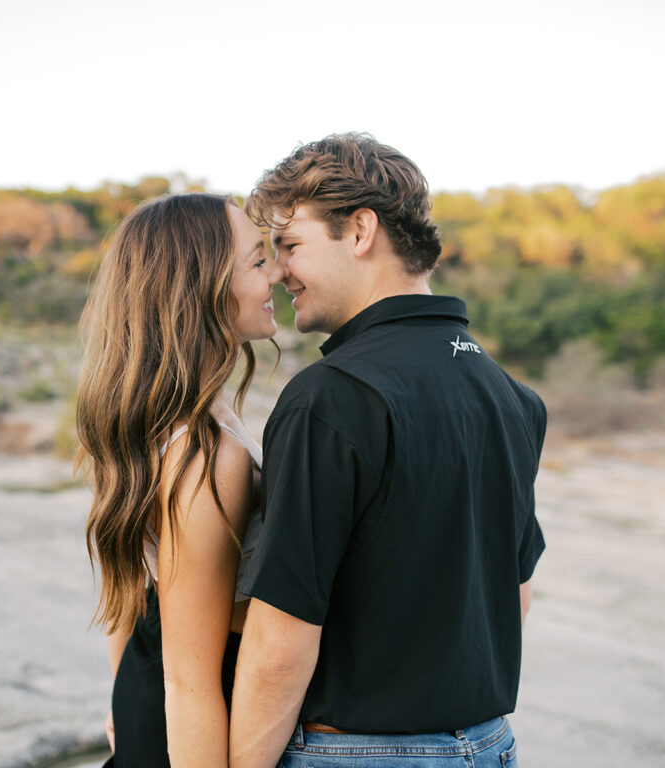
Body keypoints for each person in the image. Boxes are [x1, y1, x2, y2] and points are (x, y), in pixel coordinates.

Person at [229, 134, 546, 768]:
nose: (281, 271)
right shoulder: (512, 395)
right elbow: (517, 591)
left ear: (360, 230)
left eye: (291, 246)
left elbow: (281, 635)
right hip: (488, 745)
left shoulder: (330, 397)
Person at [75, 193, 284, 767]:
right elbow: (190, 680)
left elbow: (133, 589)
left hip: (156, 691)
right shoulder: (204, 453)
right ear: (204, 287)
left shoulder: (156, 417)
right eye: (258, 261)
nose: (279, 273)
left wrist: (122, 694)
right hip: (193, 721)